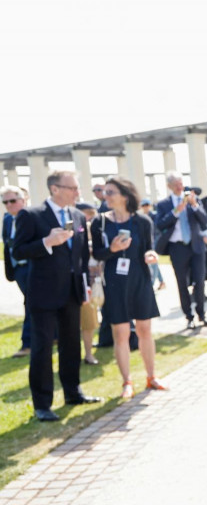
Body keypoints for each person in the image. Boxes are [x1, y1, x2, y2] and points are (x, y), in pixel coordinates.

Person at [11, 169, 101, 422]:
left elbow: (81, 256)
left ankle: (73, 392)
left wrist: (85, 286)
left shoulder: (77, 216)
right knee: (41, 350)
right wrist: (46, 243)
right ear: (55, 189)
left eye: (77, 187)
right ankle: (42, 404)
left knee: (71, 345)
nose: (77, 192)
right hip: (43, 294)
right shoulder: (31, 215)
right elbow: (18, 251)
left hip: (72, 293)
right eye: (72, 188)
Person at [92, 177, 166, 399]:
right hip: (114, 284)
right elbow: (97, 254)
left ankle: (151, 377)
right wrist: (112, 249)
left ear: (125, 195)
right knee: (121, 333)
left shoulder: (142, 222)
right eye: (105, 192)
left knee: (145, 330)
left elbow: (147, 249)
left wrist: (151, 256)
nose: (106, 196)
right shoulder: (100, 222)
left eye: (111, 192)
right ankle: (127, 381)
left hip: (140, 281)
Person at [155, 171, 207, 330]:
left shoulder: (194, 200)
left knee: (200, 281)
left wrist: (194, 205)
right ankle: (189, 316)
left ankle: (202, 314)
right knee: (182, 283)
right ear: (169, 187)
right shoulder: (163, 204)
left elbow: (205, 220)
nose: (180, 187)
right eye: (176, 185)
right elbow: (160, 224)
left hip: (196, 246)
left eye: (181, 183)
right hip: (177, 247)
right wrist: (176, 210)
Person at [3, 185, 32, 357]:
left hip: (33, 267)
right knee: (31, 302)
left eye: (12, 200)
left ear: (23, 199)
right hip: (19, 269)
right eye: (5, 202)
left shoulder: (32, 217)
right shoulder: (7, 219)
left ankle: (27, 343)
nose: (9, 205)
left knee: (31, 303)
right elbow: (7, 245)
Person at [76, 201, 101, 366]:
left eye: (91, 215)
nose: (89, 219)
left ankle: (88, 353)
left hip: (94, 284)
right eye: (86, 216)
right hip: (79, 283)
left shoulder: (98, 233)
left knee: (90, 323)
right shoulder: (75, 235)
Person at [139, 198, 165, 290]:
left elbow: (157, 231)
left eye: (147, 205)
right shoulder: (140, 217)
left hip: (154, 241)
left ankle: (152, 283)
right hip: (146, 242)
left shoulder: (154, 216)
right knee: (154, 262)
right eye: (143, 205)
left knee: (152, 262)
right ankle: (161, 281)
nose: (145, 207)